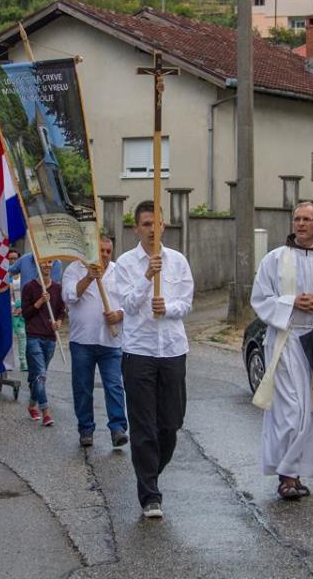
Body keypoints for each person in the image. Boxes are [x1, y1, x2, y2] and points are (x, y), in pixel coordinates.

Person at [250, 201, 313, 501]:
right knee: (291, 411)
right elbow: (259, 298)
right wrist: (291, 303)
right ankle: (286, 474)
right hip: (285, 340)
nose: (300, 224)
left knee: (311, 411)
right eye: (296, 219)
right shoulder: (275, 259)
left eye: (307, 219)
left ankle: (292, 475)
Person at [112, 200, 194, 520]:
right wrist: (147, 277)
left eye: (155, 223)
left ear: (164, 225)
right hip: (139, 351)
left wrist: (168, 309)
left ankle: (149, 471)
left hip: (172, 349)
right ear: (136, 228)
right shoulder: (125, 263)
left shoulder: (179, 261)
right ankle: (149, 494)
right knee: (144, 426)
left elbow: (186, 303)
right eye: (145, 224)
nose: (151, 229)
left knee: (171, 424)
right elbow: (128, 307)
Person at [62, 235, 128, 449]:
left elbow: (132, 301)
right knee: (82, 387)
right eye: (101, 251)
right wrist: (89, 277)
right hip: (83, 340)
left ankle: (118, 428)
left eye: (109, 251)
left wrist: (119, 314)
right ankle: (86, 429)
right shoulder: (74, 269)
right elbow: (69, 296)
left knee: (114, 386)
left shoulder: (119, 271)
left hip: (111, 340)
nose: (105, 255)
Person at [21, 258, 66, 427]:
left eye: (49, 263)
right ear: (38, 265)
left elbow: (61, 312)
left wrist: (59, 323)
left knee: (38, 377)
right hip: (34, 336)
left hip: (50, 338)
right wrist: (39, 302)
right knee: (40, 375)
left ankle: (32, 404)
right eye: (44, 263)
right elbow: (25, 314)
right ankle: (46, 411)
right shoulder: (29, 287)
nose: (47, 266)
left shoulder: (57, 288)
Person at [7, 249, 28, 372]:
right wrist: (13, 306)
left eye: (15, 258)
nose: (13, 261)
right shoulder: (6, 274)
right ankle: (8, 362)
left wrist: (22, 307)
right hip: (11, 308)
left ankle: (23, 361)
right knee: (8, 336)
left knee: (22, 335)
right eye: (11, 258)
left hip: (23, 308)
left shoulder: (24, 273)